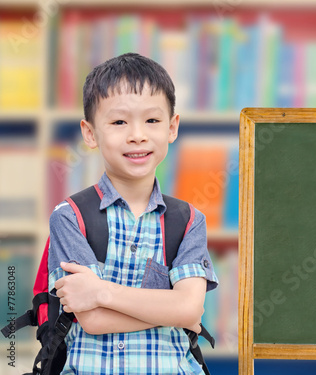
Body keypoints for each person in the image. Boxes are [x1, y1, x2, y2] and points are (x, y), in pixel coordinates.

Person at [48, 52, 218, 374]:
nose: (137, 134)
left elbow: (190, 307)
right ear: (90, 133)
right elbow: (93, 320)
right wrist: (170, 309)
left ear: (172, 127)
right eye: (118, 121)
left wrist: (101, 291)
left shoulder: (188, 221)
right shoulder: (70, 217)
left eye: (152, 120)